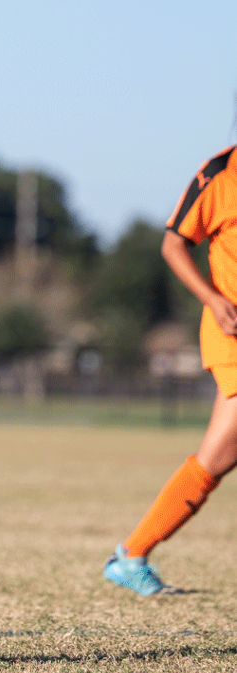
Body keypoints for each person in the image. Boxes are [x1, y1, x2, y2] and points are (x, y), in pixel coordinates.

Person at [104, 144, 237, 595]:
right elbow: (173, 243)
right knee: (218, 455)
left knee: (217, 459)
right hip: (233, 331)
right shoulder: (219, 174)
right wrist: (214, 300)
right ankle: (131, 554)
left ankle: (132, 555)